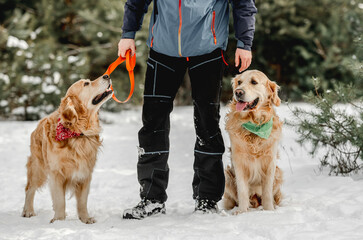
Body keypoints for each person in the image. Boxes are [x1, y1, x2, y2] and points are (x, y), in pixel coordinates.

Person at [118, 0, 257, 219]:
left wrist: (244, 43)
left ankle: (207, 199)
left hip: (208, 51)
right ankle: (152, 199)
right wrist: (128, 34)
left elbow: (243, 4)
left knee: (207, 123)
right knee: (152, 123)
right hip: (163, 50)